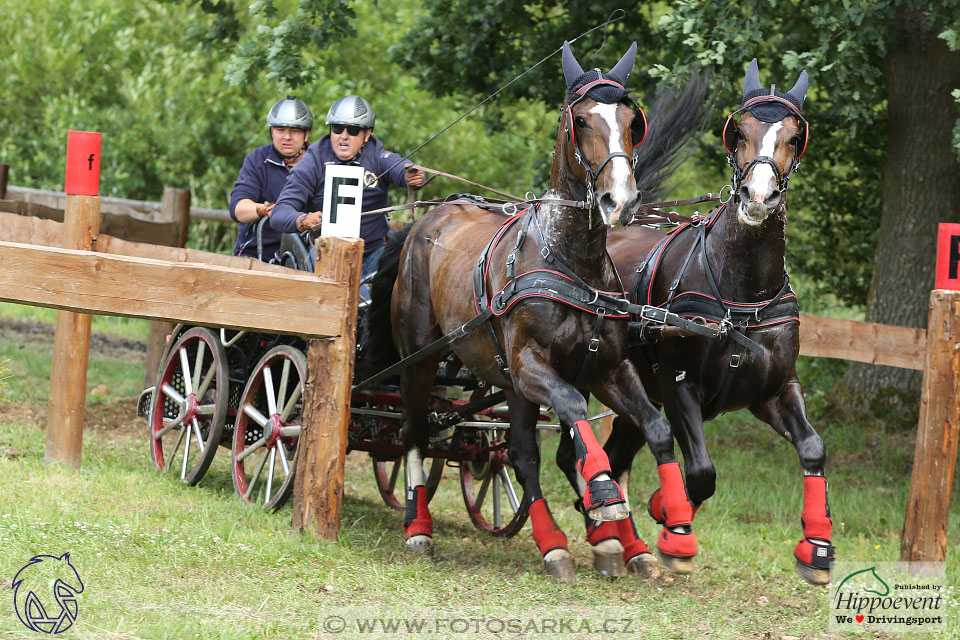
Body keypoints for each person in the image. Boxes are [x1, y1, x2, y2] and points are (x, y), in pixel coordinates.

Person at [270, 95, 424, 296]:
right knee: (351, 300)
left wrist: (412, 175)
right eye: (337, 129)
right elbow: (279, 213)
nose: (343, 136)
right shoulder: (313, 161)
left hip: (373, 253)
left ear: (367, 134)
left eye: (352, 130)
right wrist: (303, 219)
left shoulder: (377, 155)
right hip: (326, 253)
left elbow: (399, 167)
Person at [229, 96, 313, 261]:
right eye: (280, 130)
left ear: (306, 133)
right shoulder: (257, 159)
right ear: (272, 131)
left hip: (306, 256)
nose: (287, 137)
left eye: (294, 131)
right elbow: (238, 208)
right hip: (257, 254)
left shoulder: (319, 162)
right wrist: (265, 210)